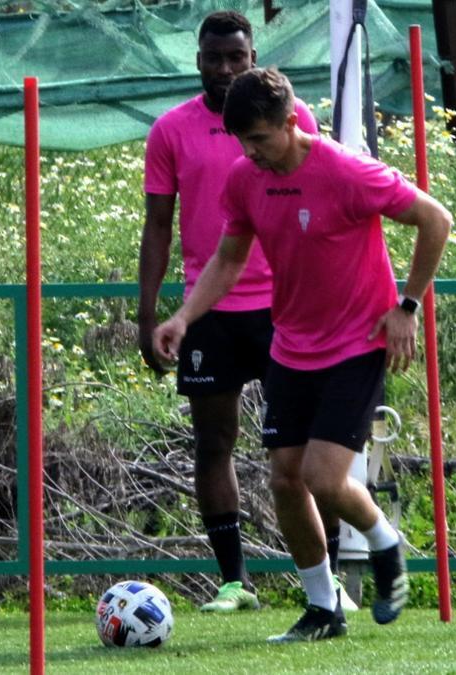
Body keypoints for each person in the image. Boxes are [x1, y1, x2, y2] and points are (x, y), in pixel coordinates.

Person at [152, 67, 452, 643]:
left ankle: (385, 545)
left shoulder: (346, 171)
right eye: (242, 140)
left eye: (260, 139)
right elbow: (230, 258)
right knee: (286, 480)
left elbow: (436, 219)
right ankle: (323, 609)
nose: (250, 151)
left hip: (358, 343)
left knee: (321, 475)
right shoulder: (245, 178)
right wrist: (185, 317)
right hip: (292, 345)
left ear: (291, 122)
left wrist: (407, 308)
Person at [137, 11, 355, 615]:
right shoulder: (171, 131)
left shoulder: (295, 118)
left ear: (254, 54)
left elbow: (329, 201)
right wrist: (149, 312)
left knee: (314, 453)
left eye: (238, 57)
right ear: (199, 60)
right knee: (215, 442)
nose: (228, 69)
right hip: (208, 310)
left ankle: (328, 580)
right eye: (216, 58)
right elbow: (157, 225)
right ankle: (234, 582)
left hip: (289, 308)